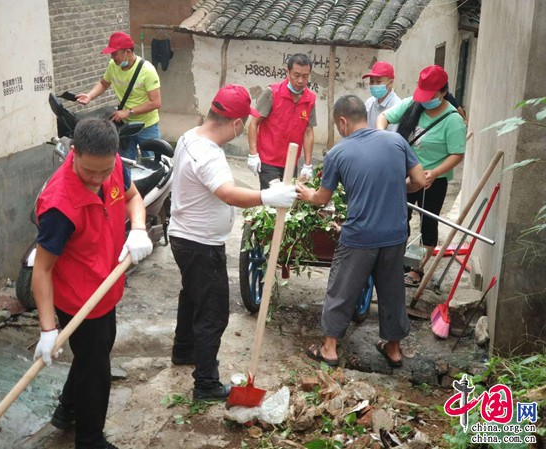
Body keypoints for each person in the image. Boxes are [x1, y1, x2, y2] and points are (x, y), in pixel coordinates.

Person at [168, 84, 297, 401]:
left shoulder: (189, 137)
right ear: (237, 123)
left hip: (182, 236)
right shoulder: (209, 154)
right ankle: (206, 384)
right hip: (200, 243)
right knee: (213, 313)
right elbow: (227, 193)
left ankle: (184, 350)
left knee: (192, 296)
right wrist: (268, 196)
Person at [32, 118, 153, 449]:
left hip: (107, 286)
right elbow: (41, 269)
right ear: (74, 153)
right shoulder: (59, 205)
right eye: (89, 172)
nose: (98, 179)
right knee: (96, 370)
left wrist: (138, 228)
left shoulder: (113, 167)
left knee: (94, 353)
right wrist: (47, 328)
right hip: (79, 300)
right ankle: (90, 440)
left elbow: (132, 198)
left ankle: (67, 409)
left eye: (105, 170)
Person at [296, 95, 425, 369]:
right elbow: (418, 180)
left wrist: (307, 194)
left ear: (342, 121)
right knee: (392, 291)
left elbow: (322, 198)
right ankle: (393, 349)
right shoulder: (396, 141)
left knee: (341, 289)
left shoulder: (337, 153)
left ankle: (329, 348)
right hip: (395, 234)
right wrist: (396, 186)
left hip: (359, 236)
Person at [377, 65, 467, 287]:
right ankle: (398, 260)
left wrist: (435, 172)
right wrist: (381, 136)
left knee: (428, 223)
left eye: (430, 96)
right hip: (403, 176)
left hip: (432, 181)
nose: (425, 100)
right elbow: (384, 117)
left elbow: (457, 154)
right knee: (400, 219)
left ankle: (418, 268)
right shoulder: (412, 104)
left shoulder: (453, 120)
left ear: (443, 92)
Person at [77, 31, 162, 161]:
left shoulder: (147, 71)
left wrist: (128, 112)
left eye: (114, 53)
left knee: (151, 163)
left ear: (127, 52)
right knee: (125, 163)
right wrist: (89, 96)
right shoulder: (113, 66)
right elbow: (104, 83)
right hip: (125, 125)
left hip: (147, 126)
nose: (112, 57)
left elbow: (156, 102)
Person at [247, 53, 317, 189]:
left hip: (291, 162)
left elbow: (308, 132)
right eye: (296, 75)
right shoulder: (272, 93)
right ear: (288, 72)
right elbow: (254, 123)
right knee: (273, 197)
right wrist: (253, 153)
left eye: (305, 76)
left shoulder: (310, 100)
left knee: (287, 198)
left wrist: (308, 164)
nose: (301, 81)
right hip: (268, 160)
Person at [362, 61, 401, 131]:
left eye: (379, 82)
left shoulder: (397, 106)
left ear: (390, 83)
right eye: (372, 81)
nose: (374, 85)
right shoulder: (369, 103)